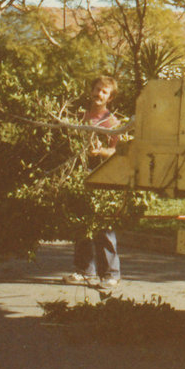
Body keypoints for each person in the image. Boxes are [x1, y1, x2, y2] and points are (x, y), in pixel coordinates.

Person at [63, 75, 122, 289]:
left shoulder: (112, 123)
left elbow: (118, 152)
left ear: (110, 97)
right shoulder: (82, 118)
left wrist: (100, 151)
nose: (99, 94)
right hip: (80, 177)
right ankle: (82, 271)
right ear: (91, 91)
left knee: (104, 227)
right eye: (97, 89)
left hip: (103, 178)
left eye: (104, 92)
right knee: (82, 226)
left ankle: (110, 274)